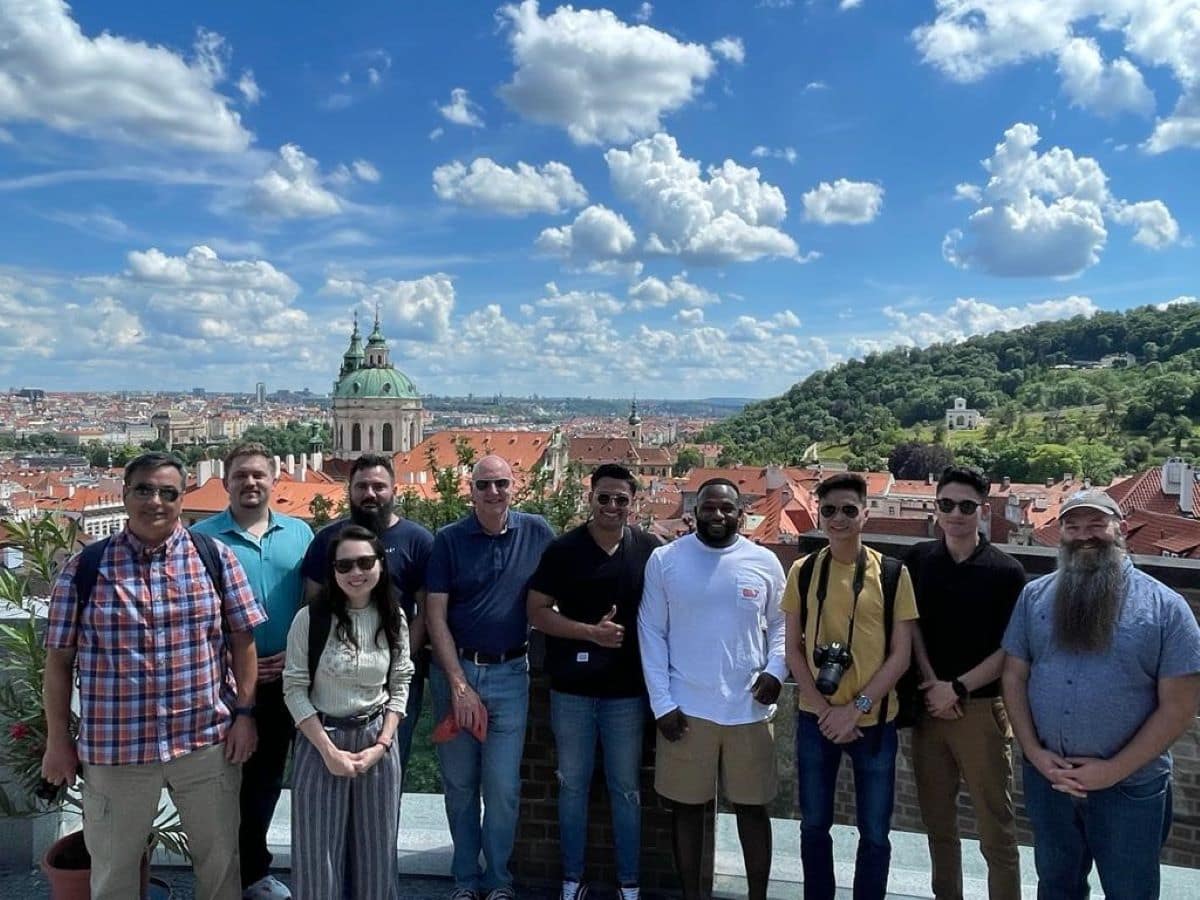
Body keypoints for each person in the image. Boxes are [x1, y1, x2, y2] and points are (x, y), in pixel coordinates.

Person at [41, 452, 265, 900]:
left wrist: (245, 714)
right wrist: (57, 740)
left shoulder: (214, 558)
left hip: (204, 741)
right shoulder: (84, 568)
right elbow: (59, 662)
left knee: (220, 865)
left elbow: (243, 643)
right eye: (144, 489)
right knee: (113, 873)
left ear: (183, 499)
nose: (155, 501)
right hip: (115, 748)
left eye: (168, 492)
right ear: (124, 495)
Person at [1001, 490, 1200, 900]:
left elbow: (1180, 707)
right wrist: (1035, 754)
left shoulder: (1167, 607)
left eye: (1096, 525)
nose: (1084, 535)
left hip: (1129, 788)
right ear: (1061, 535)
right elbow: (1013, 677)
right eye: (1073, 527)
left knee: (1129, 891)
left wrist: (1113, 770)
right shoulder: (1034, 596)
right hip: (1049, 782)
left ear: (1121, 530)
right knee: (1057, 886)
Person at [638, 478, 786, 900]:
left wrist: (777, 669)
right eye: (709, 507)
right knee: (686, 811)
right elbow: (650, 632)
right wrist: (661, 703)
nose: (717, 515)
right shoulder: (665, 560)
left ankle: (757, 896)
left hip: (750, 710)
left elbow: (781, 625)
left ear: (741, 514)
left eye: (726, 508)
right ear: (695, 511)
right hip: (686, 709)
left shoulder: (764, 561)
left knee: (754, 811)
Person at [527, 463, 661, 900]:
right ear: (591, 499)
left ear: (632, 503)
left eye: (621, 499)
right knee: (572, 786)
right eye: (604, 497)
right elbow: (537, 612)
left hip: (626, 692)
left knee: (626, 790)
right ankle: (572, 880)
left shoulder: (649, 551)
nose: (612, 506)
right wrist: (590, 632)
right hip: (572, 690)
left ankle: (629, 882)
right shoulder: (564, 550)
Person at [782, 472, 917, 900]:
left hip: (873, 719)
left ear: (865, 513)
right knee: (814, 825)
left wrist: (853, 708)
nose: (838, 518)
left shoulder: (893, 573)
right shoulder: (803, 572)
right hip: (815, 720)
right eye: (829, 510)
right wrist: (827, 712)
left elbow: (901, 655)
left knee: (875, 832)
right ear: (819, 515)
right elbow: (792, 651)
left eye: (848, 510)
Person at [425, 454, 556, 900]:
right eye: (484, 485)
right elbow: (435, 615)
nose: (493, 492)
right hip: (456, 675)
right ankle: (465, 878)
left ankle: (498, 879)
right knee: (460, 787)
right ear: (471, 490)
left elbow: (567, 577)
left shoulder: (536, 530)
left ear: (513, 486)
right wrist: (459, 684)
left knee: (502, 788)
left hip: (510, 674)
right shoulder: (449, 540)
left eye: (501, 483)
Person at [192, 442, 313, 900]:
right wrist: (227, 658)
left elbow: (312, 602)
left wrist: (296, 656)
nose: (250, 482)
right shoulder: (203, 536)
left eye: (259, 475)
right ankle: (222, 876)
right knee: (221, 784)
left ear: (273, 480)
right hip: (220, 681)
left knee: (265, 781)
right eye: (241, 475)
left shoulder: (300, 533)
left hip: (284, 677)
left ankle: (255, 871)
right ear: (227, 481)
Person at [906, 465, 1024, 900]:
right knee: (938, 824)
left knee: (997, 830)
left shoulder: (1006, 572)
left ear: (983, 510)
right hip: (928, 709)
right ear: (936, 507)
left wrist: (956, 688)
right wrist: (933, 683)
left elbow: (1012, 648)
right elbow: (910, 627)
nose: (955, 513)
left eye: (966, 505)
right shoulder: (918, 561)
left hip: (979, 710)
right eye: (947, 504)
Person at [283, 525, 414, 900]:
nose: (355, 573)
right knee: (317, 859)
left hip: (377, 740)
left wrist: (383, 744)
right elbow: (293, 689)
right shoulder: (311, 619)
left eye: (364, 562)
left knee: (377, 858)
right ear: (332, 571)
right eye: (344, 566)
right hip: (321, 740)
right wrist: (328, 752)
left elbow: (400, 684)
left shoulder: (393, 617)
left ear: (379, 566)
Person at [301, 453, 433, 780]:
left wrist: (398, 660)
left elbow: (426, 610)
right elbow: (313, 605)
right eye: (361, 486)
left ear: (394, 491)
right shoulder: (327, 539)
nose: (370, 494)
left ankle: (381, 831)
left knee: (387, 771)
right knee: (330, 772)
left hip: (396, 680)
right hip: (333, 681)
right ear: (350, 490)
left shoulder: (418, 540)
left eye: (378, 486)